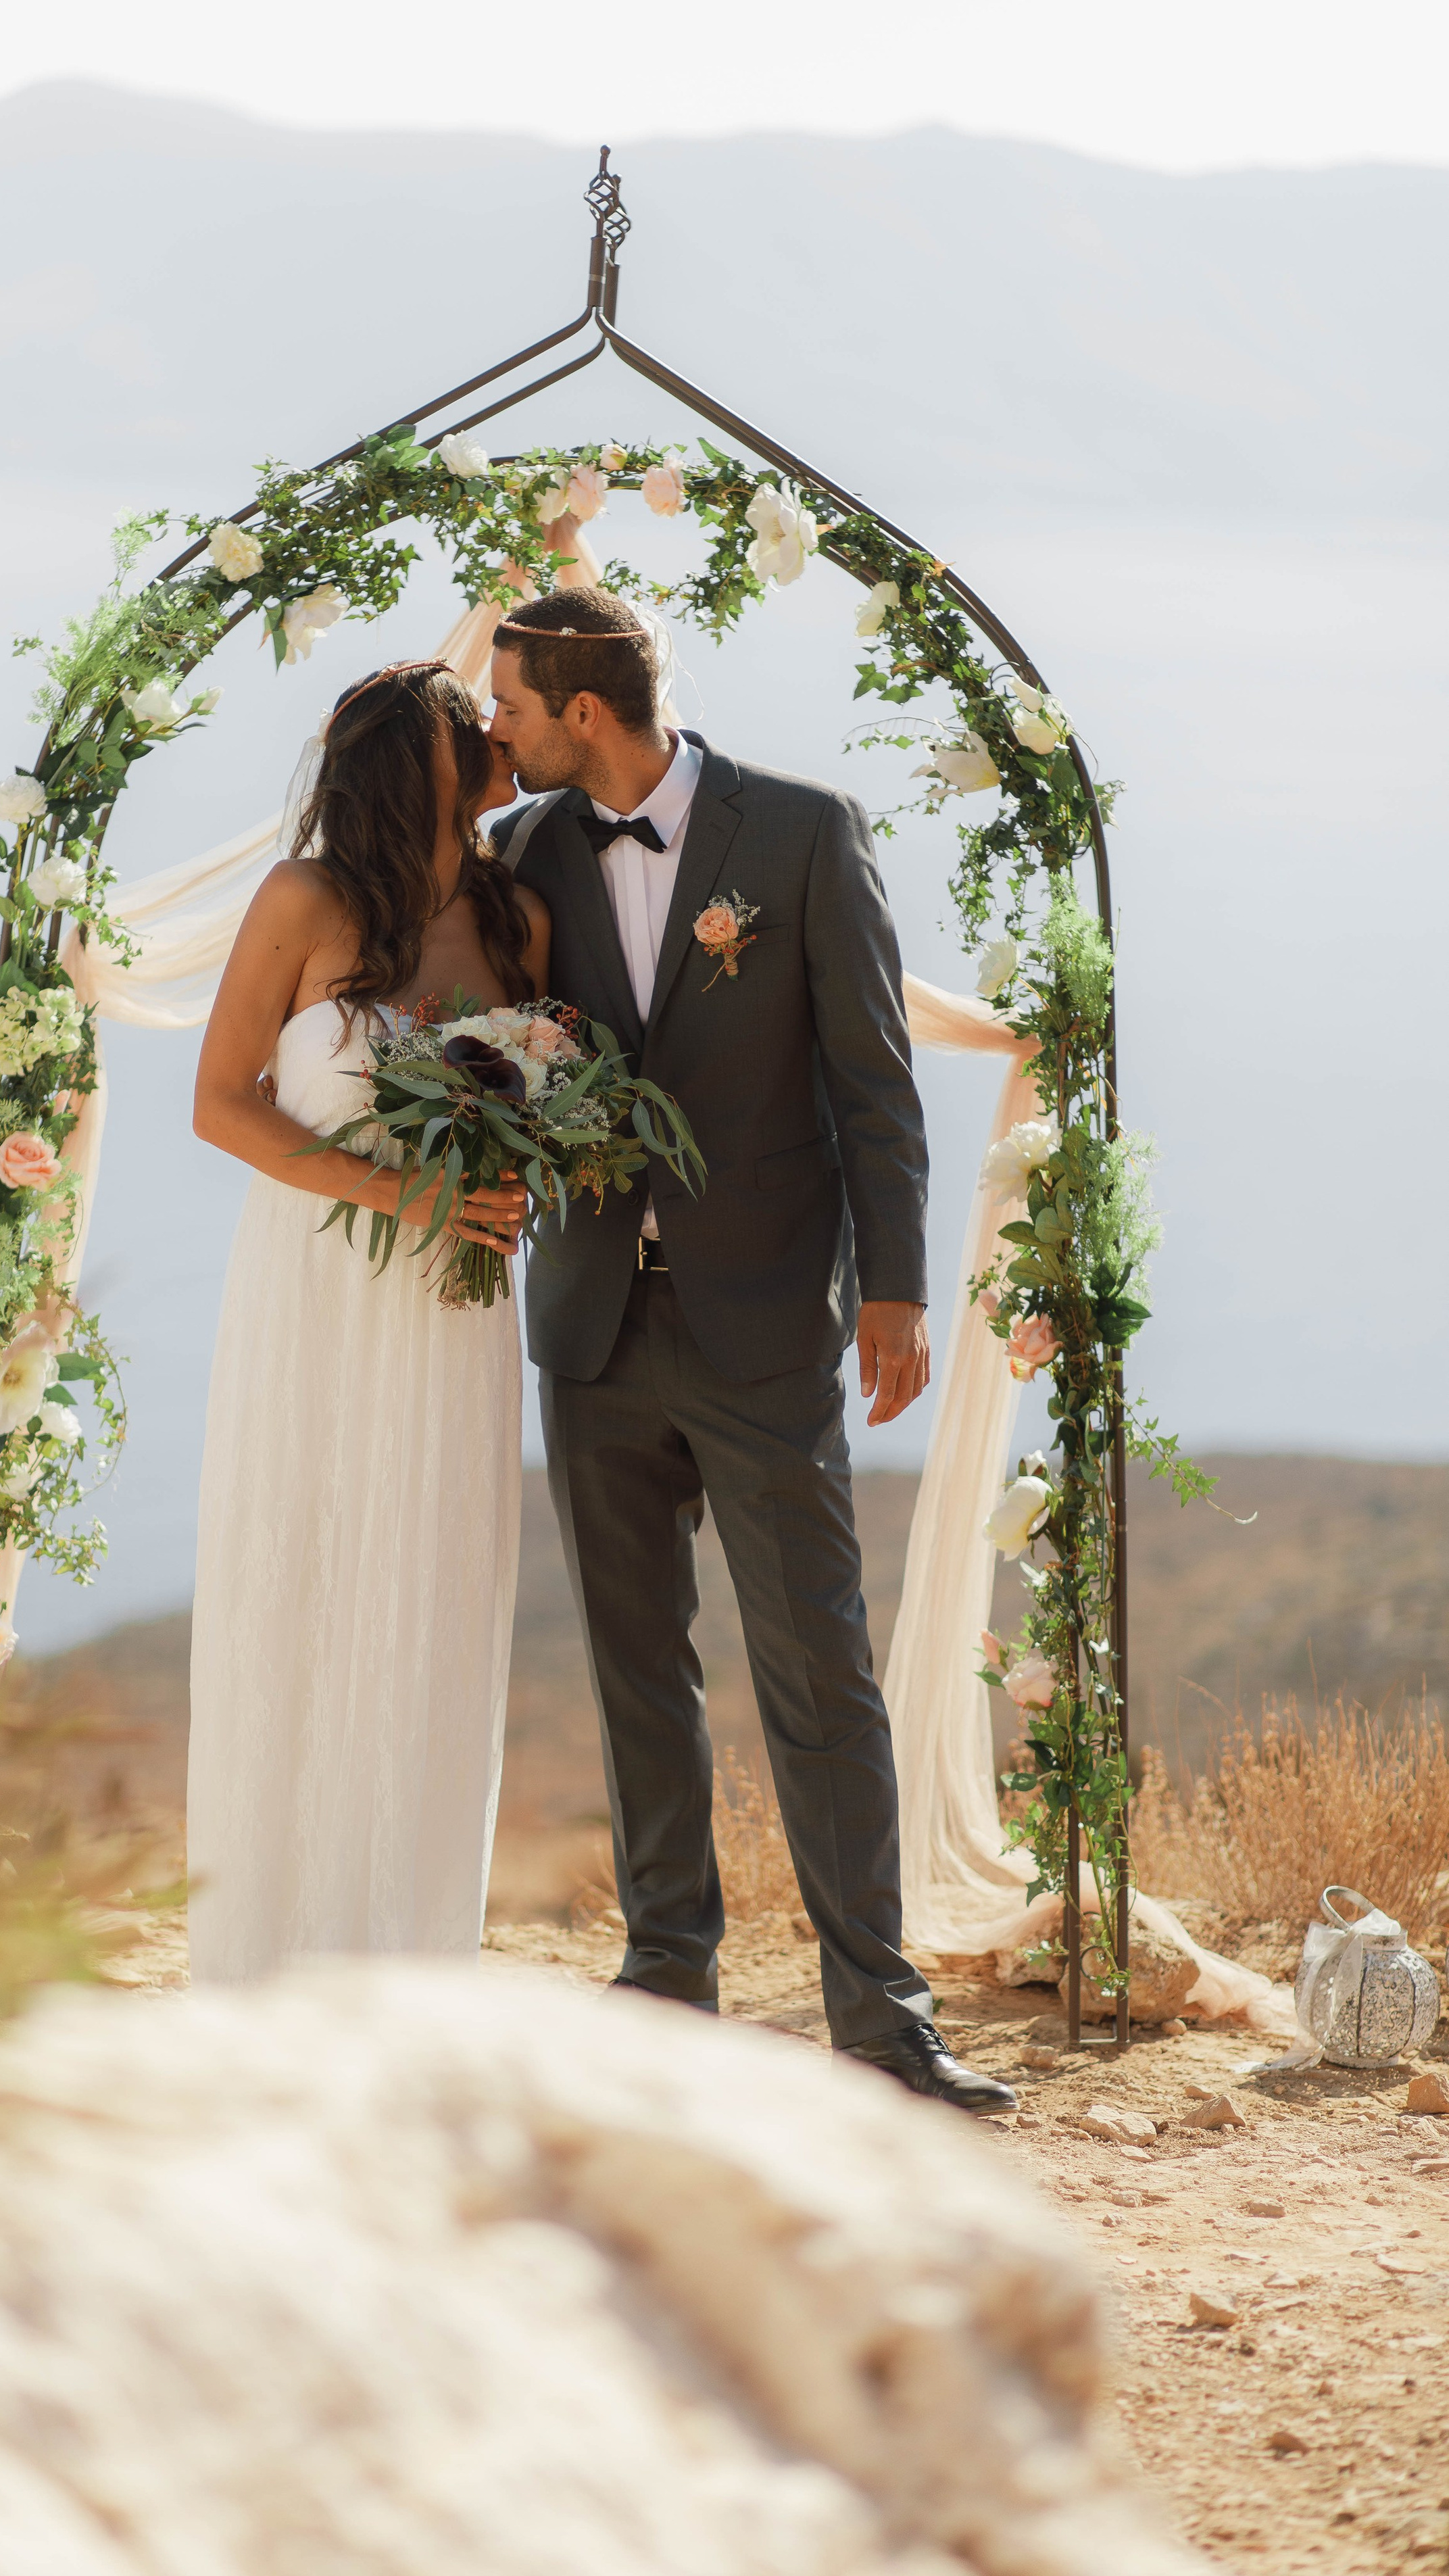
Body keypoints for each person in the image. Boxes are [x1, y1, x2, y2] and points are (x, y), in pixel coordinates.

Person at [489, 587, 1013, 2113]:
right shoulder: (523, 855)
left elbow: (873, 1077)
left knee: (815, 1670)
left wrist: (896, 1290)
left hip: (766, 1322)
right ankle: (666, 1983)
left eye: (514, 706)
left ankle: (881, 2021)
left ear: (585, 709)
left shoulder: (798, 832)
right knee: (633, 1667)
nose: (500, 731)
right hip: (592, 1324)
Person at [186, 661, 539, 1978]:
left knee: (430, 1606)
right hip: (313, 1299)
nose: (499, 743)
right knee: (304, 1588)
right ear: (421, 769)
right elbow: (222, 1104)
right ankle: (268, 1959)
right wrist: (397, 1196)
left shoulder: (515, 919)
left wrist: (521, 1174)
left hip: (452, 1323)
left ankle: (407, 1960)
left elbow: (535, 1090)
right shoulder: (304, 900)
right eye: (475, 731)